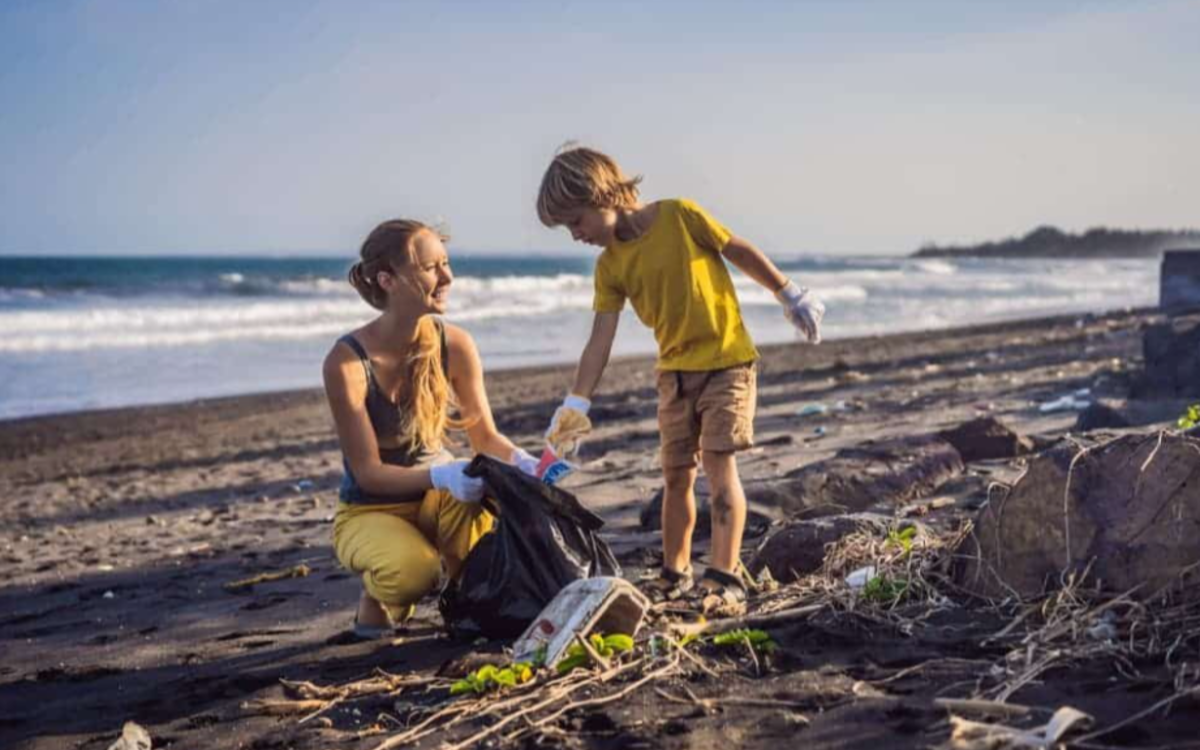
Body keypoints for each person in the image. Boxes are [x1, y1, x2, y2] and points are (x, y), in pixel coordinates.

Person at [536, 146, 825, 611]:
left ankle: (726, 574)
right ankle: (675, 572)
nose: (575, 235)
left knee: (717, 465)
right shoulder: (610, 266)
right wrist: (576, 404)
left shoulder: (679, 216)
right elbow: (600, 340)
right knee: (675, 477)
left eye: (576, 221)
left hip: (727, 364)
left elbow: (738, 250)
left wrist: (788, 293)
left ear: (600, 194)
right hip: (674, 377)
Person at [323, 218, 537, 638]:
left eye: (446, 263)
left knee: (475, 482)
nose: (448, 276)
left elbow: (486, 438)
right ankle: (378, 596)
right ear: (388, 279)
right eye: (431, 267)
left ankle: (465, 602)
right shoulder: (346, 363)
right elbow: (367, 473)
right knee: (414, 572)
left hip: (438, 500)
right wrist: (442, 474)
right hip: (369, 511)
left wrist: (528, 463)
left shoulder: (454, 343)